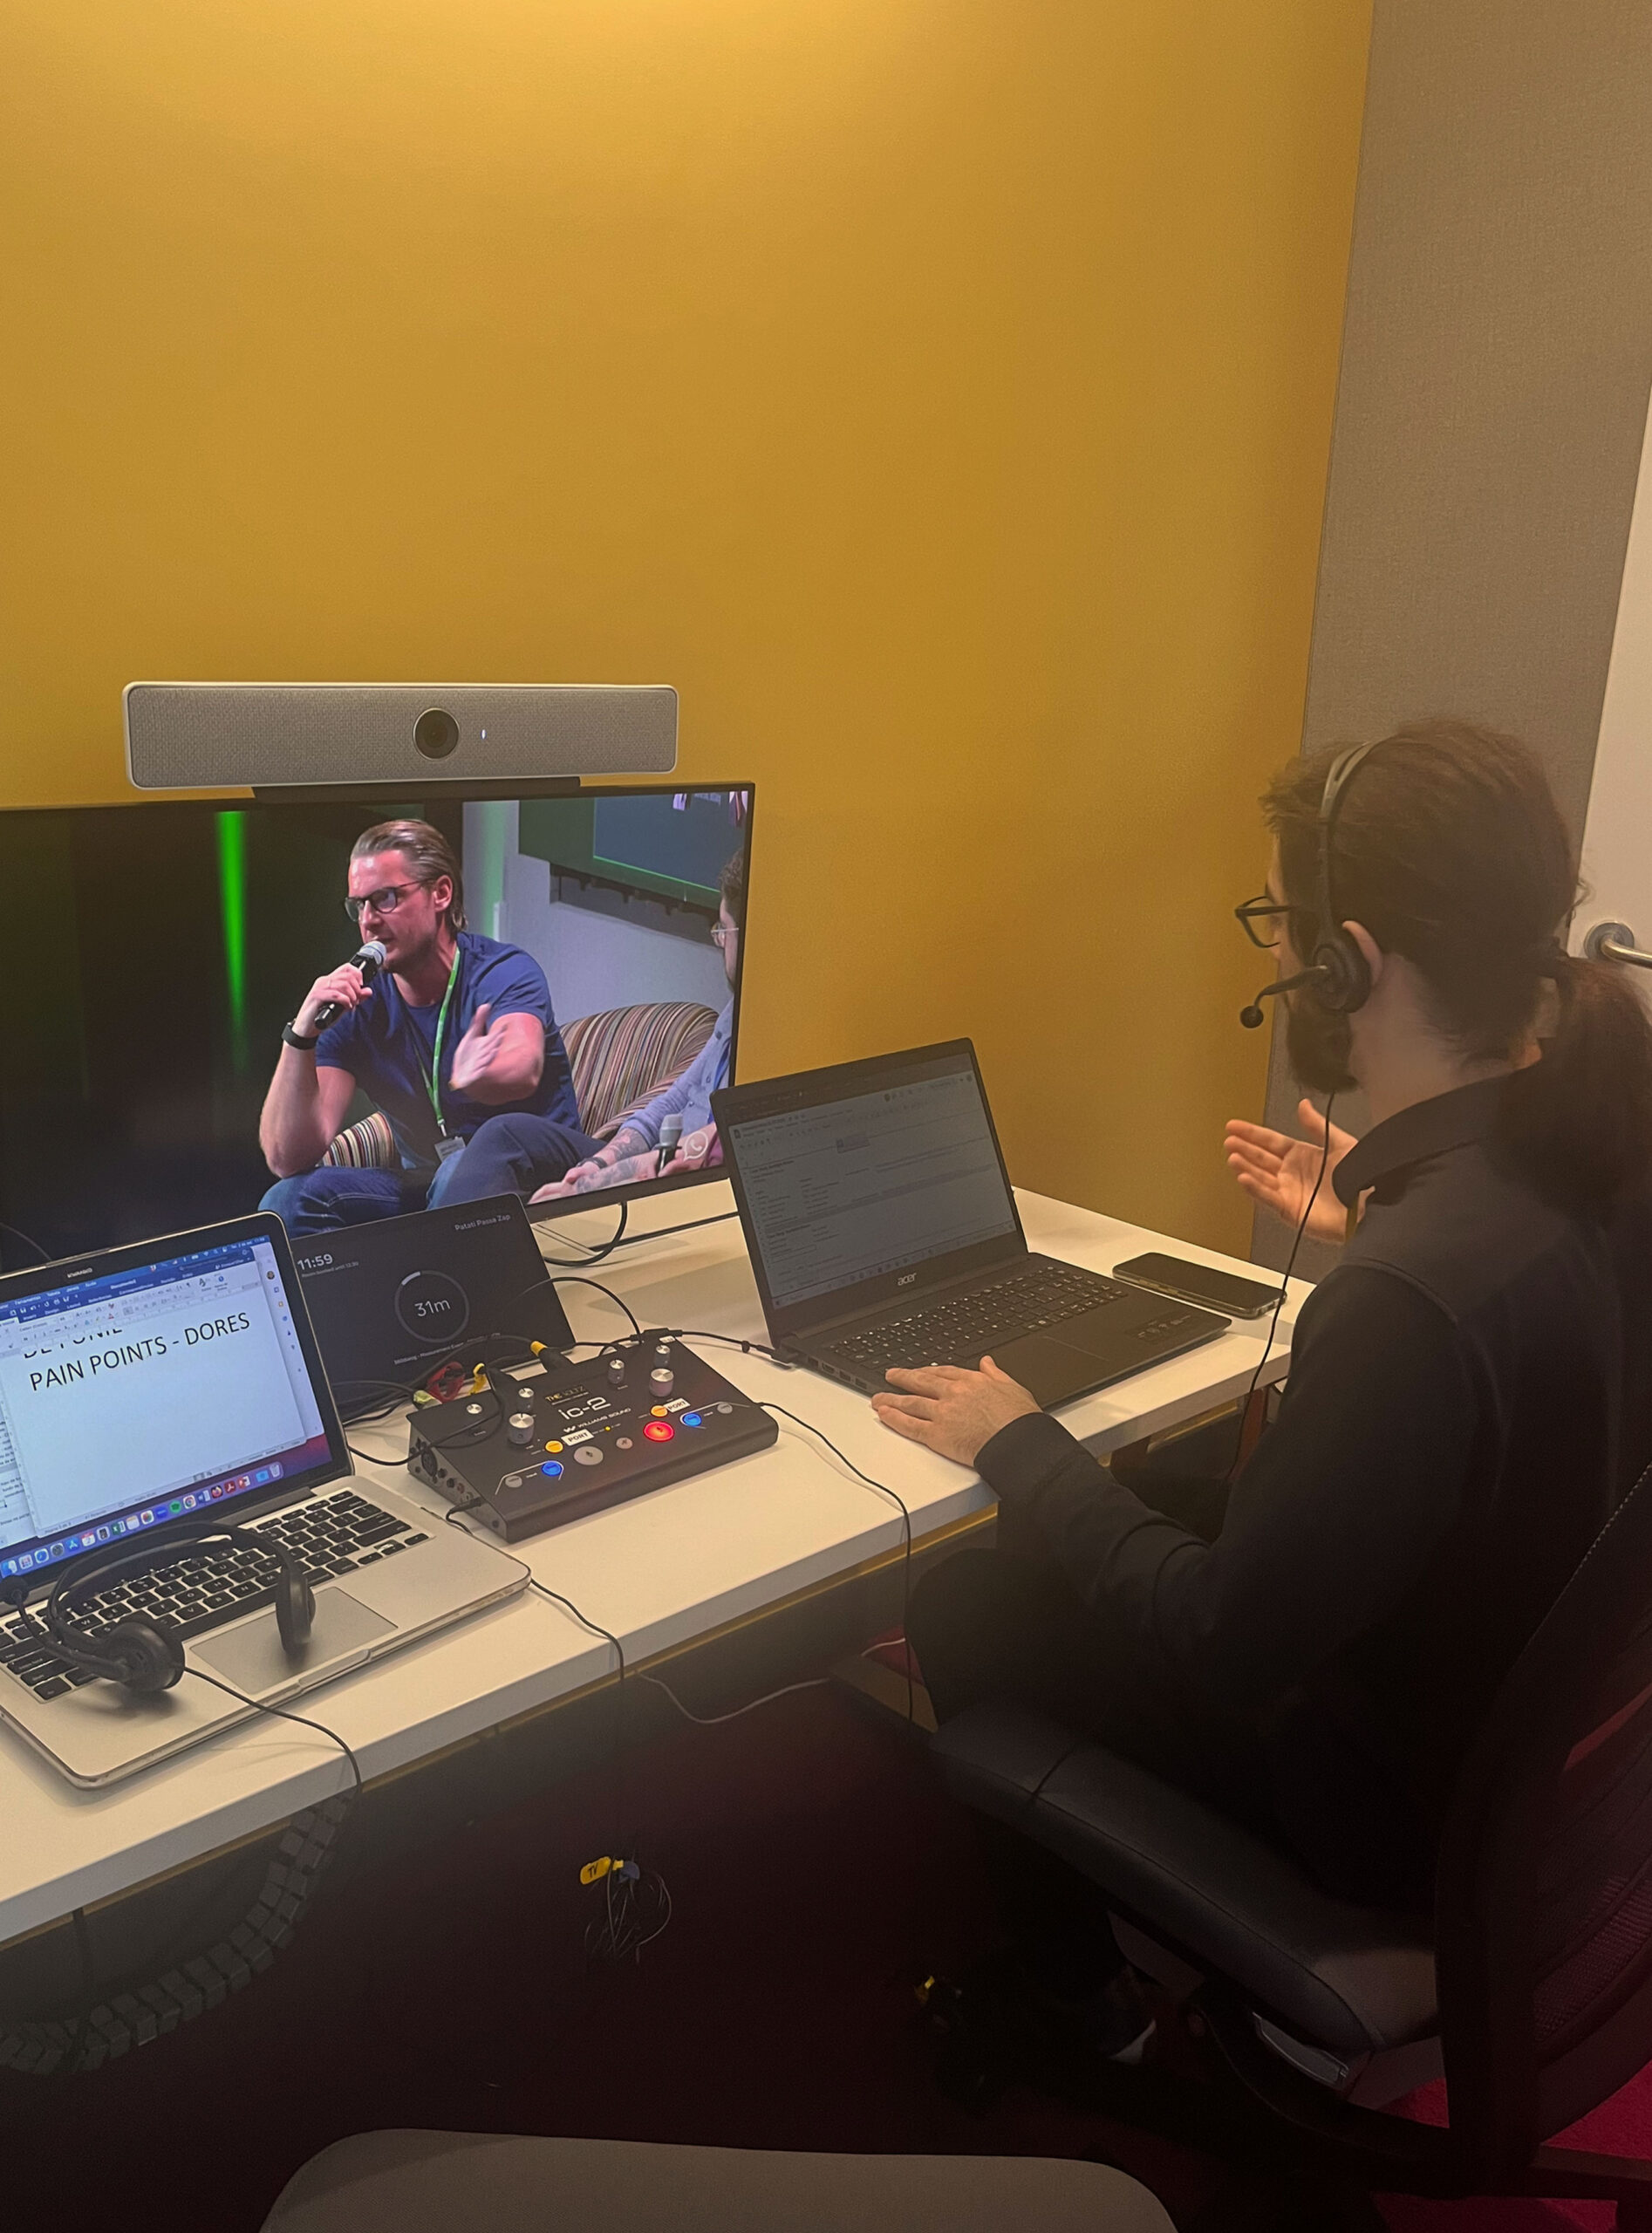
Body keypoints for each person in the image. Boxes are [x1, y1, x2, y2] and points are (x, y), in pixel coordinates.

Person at [878, 722, 1652, 2045]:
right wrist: (1384, 1214)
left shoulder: (1409, 1295)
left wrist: (1020, 1441)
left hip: (1391, 1815)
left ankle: (1084, 2010)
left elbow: (1219, 1638)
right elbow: (1514, 1327)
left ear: (1345, 962)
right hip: (1521, 1737)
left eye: (1277, 925)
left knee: (962, 1598)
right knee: (1160, 1493)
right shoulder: (1596, 1144)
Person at [259, 820, 596, 1234]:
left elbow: (521, 1067)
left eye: (385, 899)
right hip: (435, 1185)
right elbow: (286, 1159)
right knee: (288, 1202)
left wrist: (478, 1075)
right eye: (358, 906)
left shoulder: (501, 972)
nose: (368, 921)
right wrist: (300, 1037)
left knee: (479, 1152)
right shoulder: (360, 1004)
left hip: (542, 1173)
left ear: (440, 894)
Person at [434, 849, 745, 1208]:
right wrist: (598, 1163)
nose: (719, 942)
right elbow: (672, 1101)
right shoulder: (734, 1009)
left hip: (687, 1181)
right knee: (505, 1136)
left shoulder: (771, 1033)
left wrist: (584, 1189)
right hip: (656, 1157)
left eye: (724, 930)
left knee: (489, 1182)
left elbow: (701, 1153)